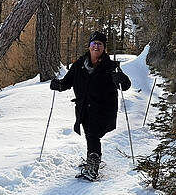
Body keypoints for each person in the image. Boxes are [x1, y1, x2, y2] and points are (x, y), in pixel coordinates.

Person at [50, 31, 131, 181]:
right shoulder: (79, 64)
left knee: (93, 135)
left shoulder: (111, 66)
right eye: (94, 43)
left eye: (100, 44)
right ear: (89, 46)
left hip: (103, 109)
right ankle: (92, 159)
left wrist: (121, 79)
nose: (96, 46)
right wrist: (58, 85)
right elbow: (67, 82)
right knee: (90, 135)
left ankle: (93, 167)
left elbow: (126, 85)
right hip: (84, 109)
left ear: (104, 48)